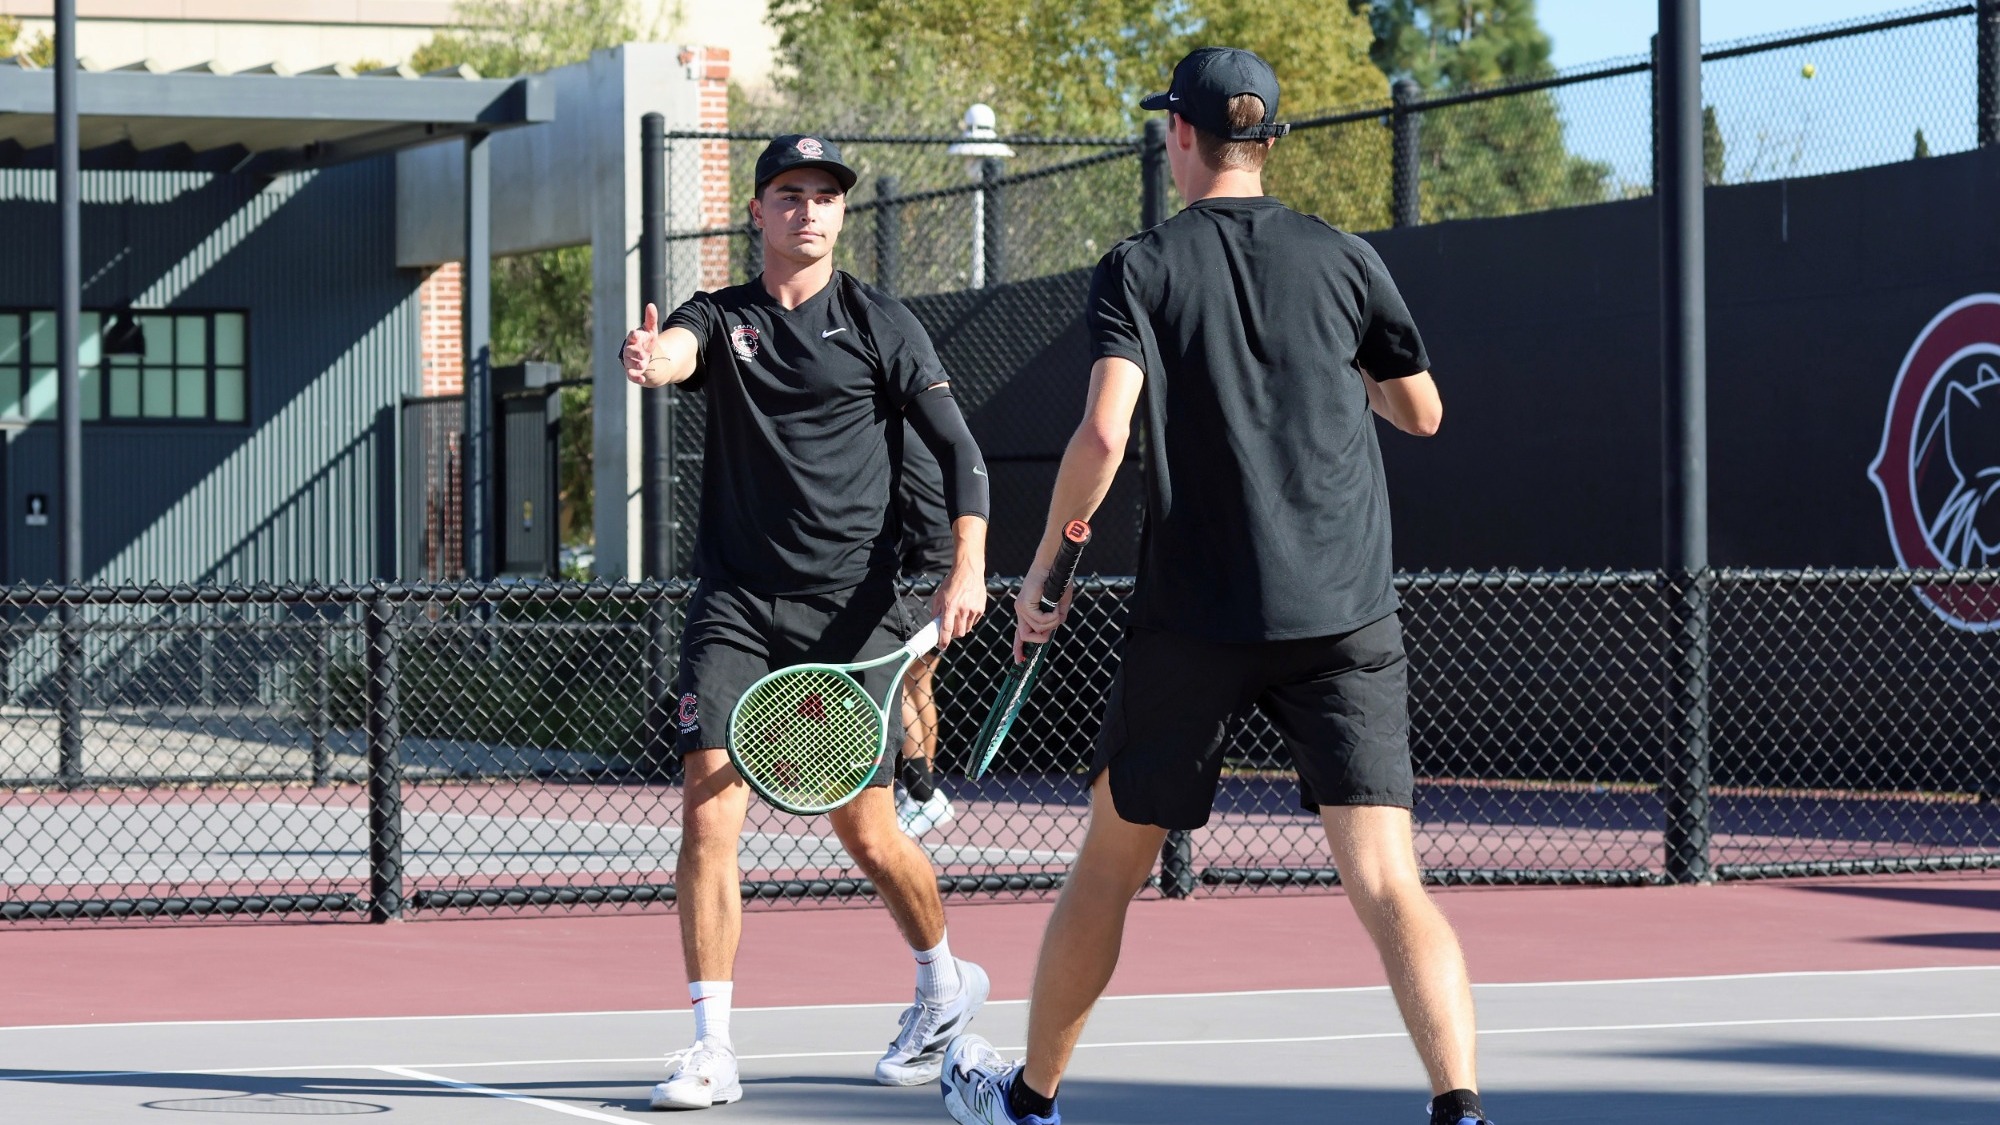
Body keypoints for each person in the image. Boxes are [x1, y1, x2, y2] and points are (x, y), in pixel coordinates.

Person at [939, 49, 1490, 1125]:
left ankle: (1031, 1101)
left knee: (1109, 866)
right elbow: (1420, 411)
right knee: (1386, 881)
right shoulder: (1343, 259)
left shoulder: (1139, 266)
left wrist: (1044, 569)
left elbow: (1104, 429)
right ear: (1269, 142)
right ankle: (1458, 1108)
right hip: (1345, 611)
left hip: (1196, 617)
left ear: (1177, 138)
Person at [621, 132, 993, 1111]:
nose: (809, 211)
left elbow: (958, 453)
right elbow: (676, 351)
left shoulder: (880, 323)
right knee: (709, 810)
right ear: (757, 211)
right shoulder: (723, 316)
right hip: (737, 603)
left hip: (852, 612)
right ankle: (710, 1048)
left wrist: (969, 567)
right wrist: (651, 357)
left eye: (824, 197)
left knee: (867, 830)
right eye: (789, 193)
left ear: (839, 213)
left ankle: (943, 988)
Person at [894, 425, 960, 838]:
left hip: (933, 563)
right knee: (919, 681)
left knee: (896, 678)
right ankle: (923, 794)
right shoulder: (921, 430)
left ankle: (922, 797)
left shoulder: (887, 427)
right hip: (933, 560)